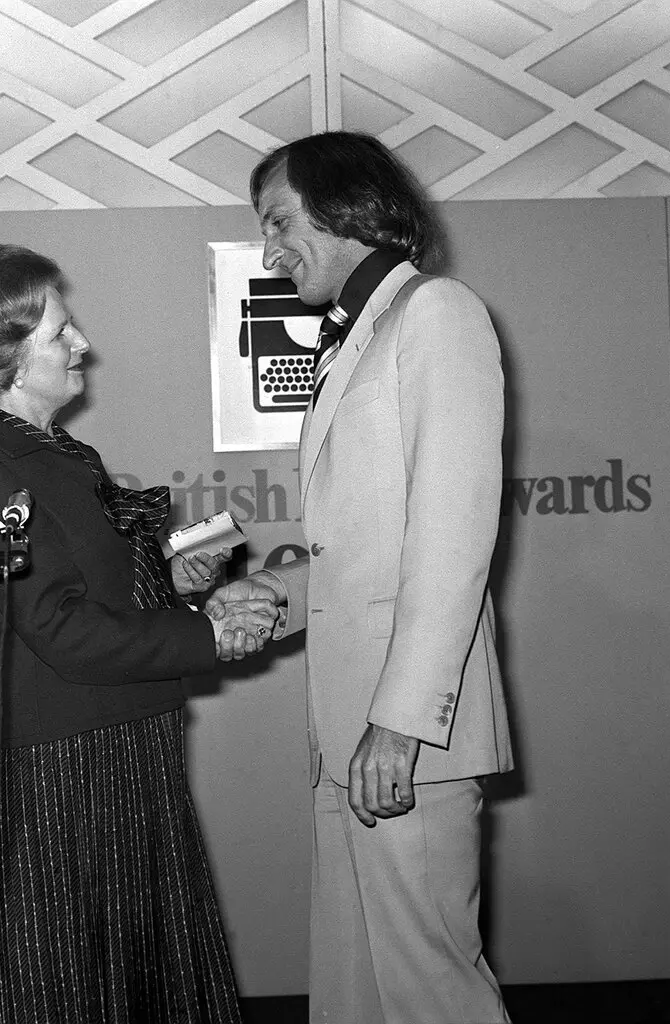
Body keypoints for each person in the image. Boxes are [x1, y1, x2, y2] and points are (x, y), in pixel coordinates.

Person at [0, 244, 277, 1024]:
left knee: (142, 973)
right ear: (9, 361)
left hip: (124, 742)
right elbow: (58, 629)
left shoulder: (61, 455)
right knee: (65, 987)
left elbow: (97, 590)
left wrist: (177, 579)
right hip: (62, 767)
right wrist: (204, 638)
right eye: (60, 333)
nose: (81, 342)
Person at [209, 132, 513, 1023]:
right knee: (355, 989)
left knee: (431, 990)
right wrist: (274, 593)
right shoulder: (354, 340)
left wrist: (399, 723)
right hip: (346, 730)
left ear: (345, 206)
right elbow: (360, 551)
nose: (267, 251)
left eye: (277, 220)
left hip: (401, 733)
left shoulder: (438, 313)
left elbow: (452, 539)